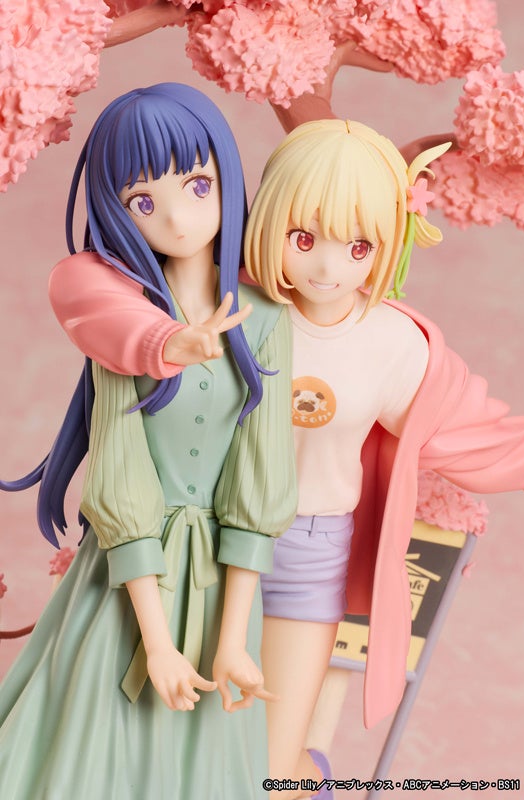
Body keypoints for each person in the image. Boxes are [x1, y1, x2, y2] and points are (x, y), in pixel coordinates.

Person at [48, 119, 524, 800]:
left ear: (388, 242)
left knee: (270, 765)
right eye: (303, 239)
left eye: (358, 247)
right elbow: (91, 289)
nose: (328, 270)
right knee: (186, 747)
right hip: (206, 543)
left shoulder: (394, 344)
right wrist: (163, 340)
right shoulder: (228, 304)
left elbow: (477, 434)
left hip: (309, 547)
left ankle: (308, 780)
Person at [0, 83, 296, 800]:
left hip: (223, 583)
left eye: (197, 185)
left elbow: (258, 482)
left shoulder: (263, 317)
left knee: (205, 763)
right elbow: (121, 474)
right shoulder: (122, 323)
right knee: (90, 754)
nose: (176, 217)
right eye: (142, 200)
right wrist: (157, 644)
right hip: (126, 582)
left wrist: (233, 640)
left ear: (226, 177)